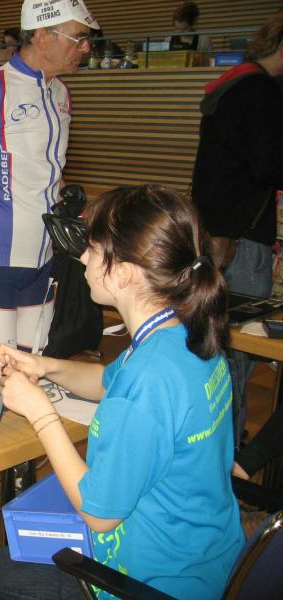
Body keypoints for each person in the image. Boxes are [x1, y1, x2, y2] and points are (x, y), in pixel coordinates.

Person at [0, 185, 245, 600]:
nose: (83, 258)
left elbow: (98, 514)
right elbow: (105, 381)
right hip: (207, 556)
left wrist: (40, 413)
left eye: (93, 249)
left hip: (155, 583)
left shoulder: (149, 380)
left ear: (124, 273)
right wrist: (46, 367)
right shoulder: (183, 335)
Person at [0, 0, 97, 546]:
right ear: (43, 34)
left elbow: (47, 179)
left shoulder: (61, 94)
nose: (85, 48)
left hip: (43, 260)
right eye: (77, 37)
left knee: (34, 377)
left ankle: (21, 477)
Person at [192, 11, 283, 448]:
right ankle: (230, 458)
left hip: (218, 233)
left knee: (217, 352)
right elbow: (269, 165)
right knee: (239, 355)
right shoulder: (261, 92)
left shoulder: (231, 87)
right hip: (243, 241)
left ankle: (216, 447)